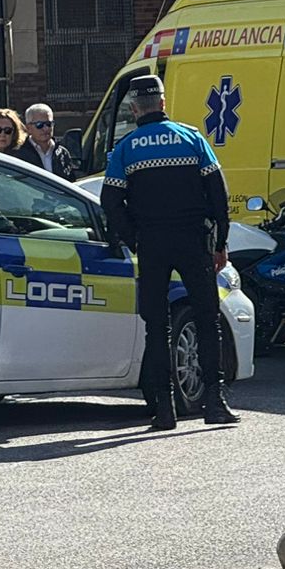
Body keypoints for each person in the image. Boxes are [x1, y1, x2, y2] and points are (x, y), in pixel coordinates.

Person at [100, 75, 236, 431]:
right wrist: (220, 241)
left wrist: (134, 238)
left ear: (133, 109)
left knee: (156, 327)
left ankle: (164, 409)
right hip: (194, 241)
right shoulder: (192, 138)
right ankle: (215, 402)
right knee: (208, 319)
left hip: (153, 244)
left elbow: (110, 201)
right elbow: (219, 193)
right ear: (163, 103)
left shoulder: (126, 148)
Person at [16, 103, 77, 180]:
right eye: (39, 125)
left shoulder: (62, 153)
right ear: (28, 128)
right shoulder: (19, 154)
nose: (45, 129)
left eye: (48, 124)